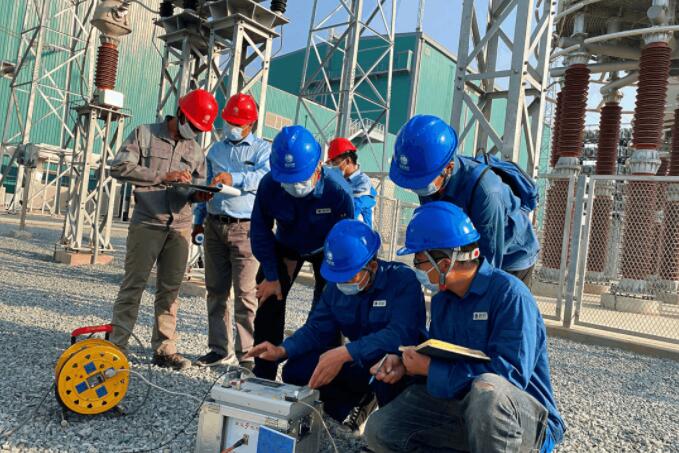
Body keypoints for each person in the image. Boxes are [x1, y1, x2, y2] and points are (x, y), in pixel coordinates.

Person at [364, 201, 565, 453]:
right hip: (468, 410)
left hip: (520, 420)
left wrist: (431, 369)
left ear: (444, 263)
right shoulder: (443, 301)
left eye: (419, 261)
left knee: (488, 391)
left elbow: (510, 376)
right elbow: (445, 360)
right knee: (381, 429)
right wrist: (405, 365)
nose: (417, 269)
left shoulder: (510, 295)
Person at [245, 219, 426, 431]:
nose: (343, 283)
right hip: (359, 359)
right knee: (297, 368)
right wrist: (282, 350)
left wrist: (344, 353)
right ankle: (341, 412)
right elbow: (316, 329)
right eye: (339, 276)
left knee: (387, 376)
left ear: (372, 266)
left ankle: (391, 426)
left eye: (350, 276)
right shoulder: (335, 286)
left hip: (398, 364)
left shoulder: (402, 281)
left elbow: (400, 334)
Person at [109, 89, 218, 370]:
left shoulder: (195, 151)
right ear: (180, 113)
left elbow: (196, 187)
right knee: (133, 286)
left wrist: (200, 195)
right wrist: (161, 176)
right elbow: (118, 167)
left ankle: (164, 349)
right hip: (148, 221)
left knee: (170, 291)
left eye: (200, 129)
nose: (195, 132)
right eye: (193, 125)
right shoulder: (144, 134)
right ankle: (117, 347)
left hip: (179, 226)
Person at [250, 125, 354, 380]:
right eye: (288, 180)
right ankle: (262, 375)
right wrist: (272, 275)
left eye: (300, 178)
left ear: (318, 167)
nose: (295, 186)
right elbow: (260, 231)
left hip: (327, 251)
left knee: (328, 311)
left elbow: (346, 239)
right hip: (287, 247)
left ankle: (318, 376)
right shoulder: (269, 185)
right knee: (268, 299)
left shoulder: (338, 191)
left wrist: (333, 285)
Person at [389, 114, 539, 286]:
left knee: (493, 296)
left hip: (511, 256)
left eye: (422, 182)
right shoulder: (429, 178)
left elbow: (490, 259)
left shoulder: (486, 190)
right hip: (469, 250)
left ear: (449, 167)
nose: (417, 189)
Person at [192, 93, 271, 368]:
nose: (232, 127)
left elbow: (264, 177)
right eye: (229, 122)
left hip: (246, 229)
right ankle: (218, 348)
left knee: (246, 295)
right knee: (215, 291)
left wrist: (233, 178)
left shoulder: (262, 150)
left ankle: (246, 354)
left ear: (251, 123)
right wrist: (199, 219)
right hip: (215, 225)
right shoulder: (216, 150)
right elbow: (206, 185)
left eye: (238, 124)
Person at [326, 137, 377, 226]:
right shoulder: (339, 180)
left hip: (357, 231)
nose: (333, 167)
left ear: (347, 161)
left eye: (335, 163)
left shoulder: (362, 182)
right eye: (331, 164)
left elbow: (352, 207)